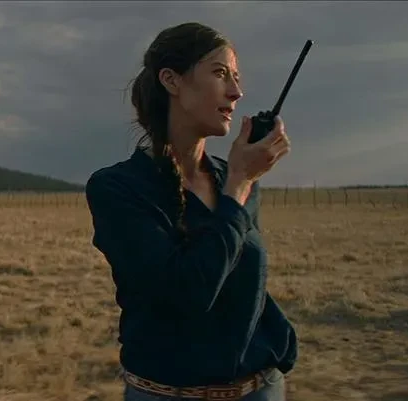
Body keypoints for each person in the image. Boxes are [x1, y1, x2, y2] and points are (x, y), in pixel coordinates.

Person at [85, 22, 297, 401]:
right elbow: (187, 295)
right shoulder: (117, 188)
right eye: (220, 73)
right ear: (172, 80)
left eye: (236, 78)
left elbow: (244, 283)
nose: (236, 92)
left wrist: (278, 343)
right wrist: (238, 184)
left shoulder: (234, 177)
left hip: (260, 389)